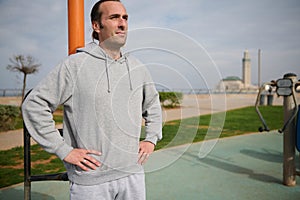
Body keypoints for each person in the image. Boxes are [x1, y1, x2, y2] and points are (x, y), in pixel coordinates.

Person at [22, 0, 162, 199]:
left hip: (133, 176)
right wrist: (63, 150)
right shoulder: (75, 65)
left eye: (125, 18)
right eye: (114, 17)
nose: (122, 23)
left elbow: (153, 106)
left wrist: (151, 139)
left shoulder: (137, 67)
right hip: (90, 182)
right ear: (96, 26)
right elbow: (34, 105)